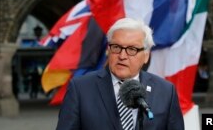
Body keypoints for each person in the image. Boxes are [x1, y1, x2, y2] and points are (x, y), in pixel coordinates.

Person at [56, 18, 184, 130]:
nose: (122, 56)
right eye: (116, 47)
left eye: (132, 49)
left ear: (146, 56)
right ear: (108, 50)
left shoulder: (166, 92)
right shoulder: (80, 89)